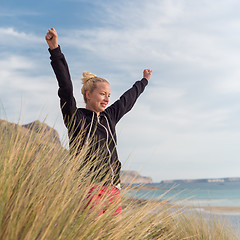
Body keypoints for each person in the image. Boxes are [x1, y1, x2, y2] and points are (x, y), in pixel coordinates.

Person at [45, 27, 152, 215]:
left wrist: (143, 81)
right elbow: (65, 86)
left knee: (112, 233)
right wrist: (55, 51)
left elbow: (127, 99)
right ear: (88, 94)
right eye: (103, 94)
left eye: (108, 95)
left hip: (113, 187)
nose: (107, 98)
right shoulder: (74, 117)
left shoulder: (109, 116)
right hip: (88, 186)